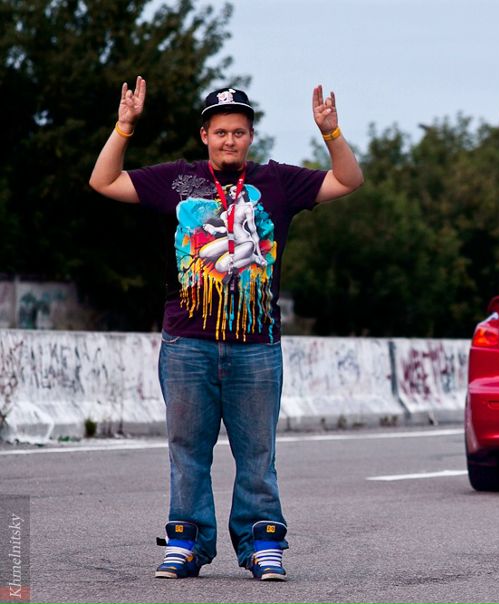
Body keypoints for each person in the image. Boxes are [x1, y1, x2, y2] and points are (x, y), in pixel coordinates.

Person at [89, 77, 363, 581]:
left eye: (238, 132)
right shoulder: (178, 179)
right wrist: (124, 126)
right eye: (220, 132)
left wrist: (331, 132)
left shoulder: (278, 181)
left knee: (257, 453)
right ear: (205, 135)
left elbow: (348, 180)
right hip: (187, 343)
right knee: (187, 452)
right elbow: (104, 181)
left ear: (250, 136)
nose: (229, 140)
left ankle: (262, 544)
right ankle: (187, 543)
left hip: (256, 347)